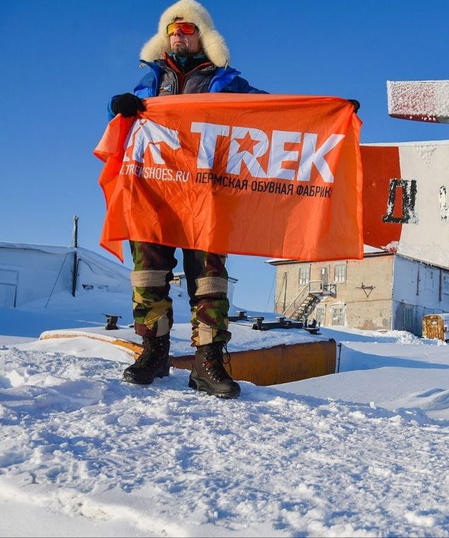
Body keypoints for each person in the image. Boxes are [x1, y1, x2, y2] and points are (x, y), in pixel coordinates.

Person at [108, 0, 267, 399]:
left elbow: (269, 114)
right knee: (149, 274)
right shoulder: (149, 83)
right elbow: (121, 133)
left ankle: (206, 362)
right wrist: (119, 110)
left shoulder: (226, 83)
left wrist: (324, 114)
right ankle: (154, 353)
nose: (179, 34)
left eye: (188, 28)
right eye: (173, 28)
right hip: (154, 191)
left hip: (207, 195)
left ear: (203, 35)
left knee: (209, 276)